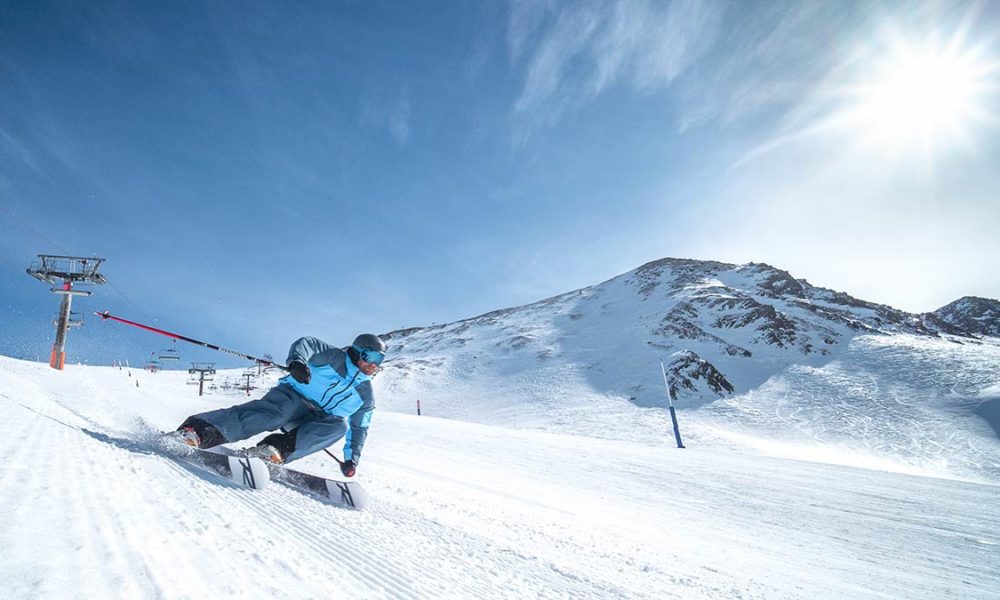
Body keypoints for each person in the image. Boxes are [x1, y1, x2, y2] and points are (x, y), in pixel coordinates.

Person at [172, 333, 386, 477]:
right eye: (370, 356)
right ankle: (198, 431)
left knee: (340, 426)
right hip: (292, 396)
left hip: (316, 419)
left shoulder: (365, 395)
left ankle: (272, 451)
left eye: (380, 359)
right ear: (357, 352)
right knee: (274, 414)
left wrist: (352, 459)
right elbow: (306, 344)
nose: (373, 364)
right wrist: (297, 363)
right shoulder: (332, 357)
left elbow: (361, 428)